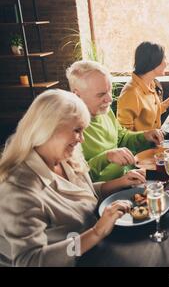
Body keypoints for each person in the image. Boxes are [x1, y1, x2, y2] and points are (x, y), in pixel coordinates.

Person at [0, 89, 139, 266]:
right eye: (77, 130)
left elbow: (81, 195)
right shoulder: (17, 189)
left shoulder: (65, 155)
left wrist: (122, 182)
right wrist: (96, 232)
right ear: (48, 128)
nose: (81, 139)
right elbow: (31, 260)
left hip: (95, 249)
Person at [66, 60, 164, 182]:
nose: (110, 99)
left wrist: (145, 135)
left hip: (130, 175)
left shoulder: (104, 111)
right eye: (101, 94)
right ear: (77, 95)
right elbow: (77, 179)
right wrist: (107, 157)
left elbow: (122, 138)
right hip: (107, 192)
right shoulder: (68, 129)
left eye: (109, 91)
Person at [117, 41, 169, 131]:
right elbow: (123, 134)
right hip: (144, 145)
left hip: (155, 142)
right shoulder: (130, 93)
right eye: (164, 58)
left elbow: (154, 112)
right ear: (154, 62)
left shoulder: (151, 83)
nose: (167, 63)